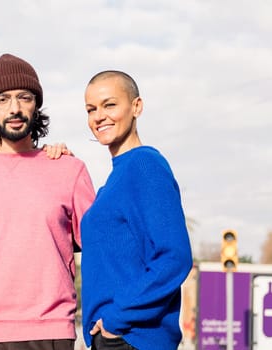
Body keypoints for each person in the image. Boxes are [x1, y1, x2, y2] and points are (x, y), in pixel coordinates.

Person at [0, 53, 96, 350]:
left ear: (36, 105)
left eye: (24, 97)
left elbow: (102, 248)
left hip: (52, 331)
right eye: (2, 99)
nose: (14, 108)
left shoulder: (69, 169)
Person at [80, 70, 193, 350]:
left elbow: (174, 257)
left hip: (134, 338)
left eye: (110, 105)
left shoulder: (144, 165)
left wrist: (116, 319)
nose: (99, 116)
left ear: (136, 107)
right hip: (115, 337)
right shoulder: (113, 182)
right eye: (91, 109)